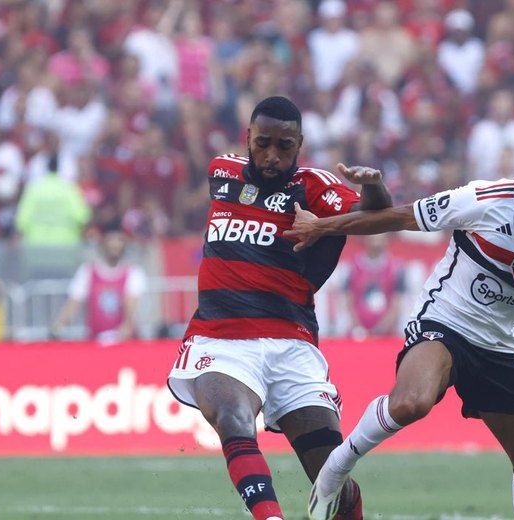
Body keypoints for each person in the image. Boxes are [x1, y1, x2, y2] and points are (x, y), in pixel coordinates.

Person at [285, 141, 514, 520]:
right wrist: (322, 227)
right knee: (413, 402)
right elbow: (398, 217)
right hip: (444, 321)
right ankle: (334, 470)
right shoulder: (484, 199)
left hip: (501, 346)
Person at [166, 96, 391, 520]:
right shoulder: (222, 171)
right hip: (220, 336)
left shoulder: (314, 187)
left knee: (329, 474)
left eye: (284, 147)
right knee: (233, 419)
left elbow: (379, 214)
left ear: (299, 144)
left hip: (292, 341)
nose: (272, 156)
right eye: (263, 143)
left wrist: (372, 186)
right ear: (248, 137)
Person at [50, 220, 146, 344]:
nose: (115, 245)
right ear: (103, 242)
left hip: (125, 344)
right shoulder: (87, 272)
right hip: (95, 343)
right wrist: (57, 327)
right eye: (111, 240)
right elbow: (72, 306)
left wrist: (117, 336)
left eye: (119, 240)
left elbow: (130, 313)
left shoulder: (133, 273)